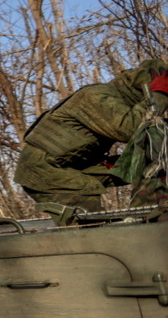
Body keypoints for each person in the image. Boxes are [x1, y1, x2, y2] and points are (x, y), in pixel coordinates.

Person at [15, 58, 168, 212]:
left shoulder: (126, 102)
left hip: (78, 165)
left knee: (156, 163)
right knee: (88, 219)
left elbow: (152, 134)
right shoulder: (96, 96)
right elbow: (130, 129)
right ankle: (136, 229)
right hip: (43, 170)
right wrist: (159, 96)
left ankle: (151, 216)